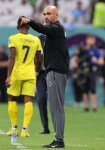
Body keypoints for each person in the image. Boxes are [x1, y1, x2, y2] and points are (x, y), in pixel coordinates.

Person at [20, 5, 69, 148]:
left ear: (56, 16)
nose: (46, 16)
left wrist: (29, 21)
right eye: (44, 14)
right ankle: (58, 138)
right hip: (55, 71)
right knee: (55, 106)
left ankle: (59, 140)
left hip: (56, 72)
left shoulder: (55, 28)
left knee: (56, 107)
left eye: (49, 14)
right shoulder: (55, 31)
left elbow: (42, 28)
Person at [5, 16, 42, 137]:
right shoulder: (36, 40)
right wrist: (35, 72)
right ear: (29, 27)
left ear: (17, 27)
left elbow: (12, 57)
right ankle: (25, 129)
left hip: (16, 73)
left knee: (12, 99)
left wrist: (9, 75)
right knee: (28, 101)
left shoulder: (13, 38)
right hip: (30, 73)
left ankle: (14, 128)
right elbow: (39, 60)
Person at [79, 35, 103, 112]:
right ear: (87, 40)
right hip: (83, 70)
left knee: (93, 88)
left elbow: (102, 62)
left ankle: (94, 106)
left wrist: (95, 60)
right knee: (84, 89)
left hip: (92, 70)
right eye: (90, 39)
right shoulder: (83, 49)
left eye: (93, 39)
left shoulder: (96, 50)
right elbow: (77, 59)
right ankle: (86, 106)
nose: (92, 41)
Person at [36, 34, 50, 134]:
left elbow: (65, 55)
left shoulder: (56, 37)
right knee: (41, 98)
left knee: (55, 100)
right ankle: (45, 126)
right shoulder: (38, 39)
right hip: (41, 74)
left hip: (53, 72)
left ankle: (58, 127)